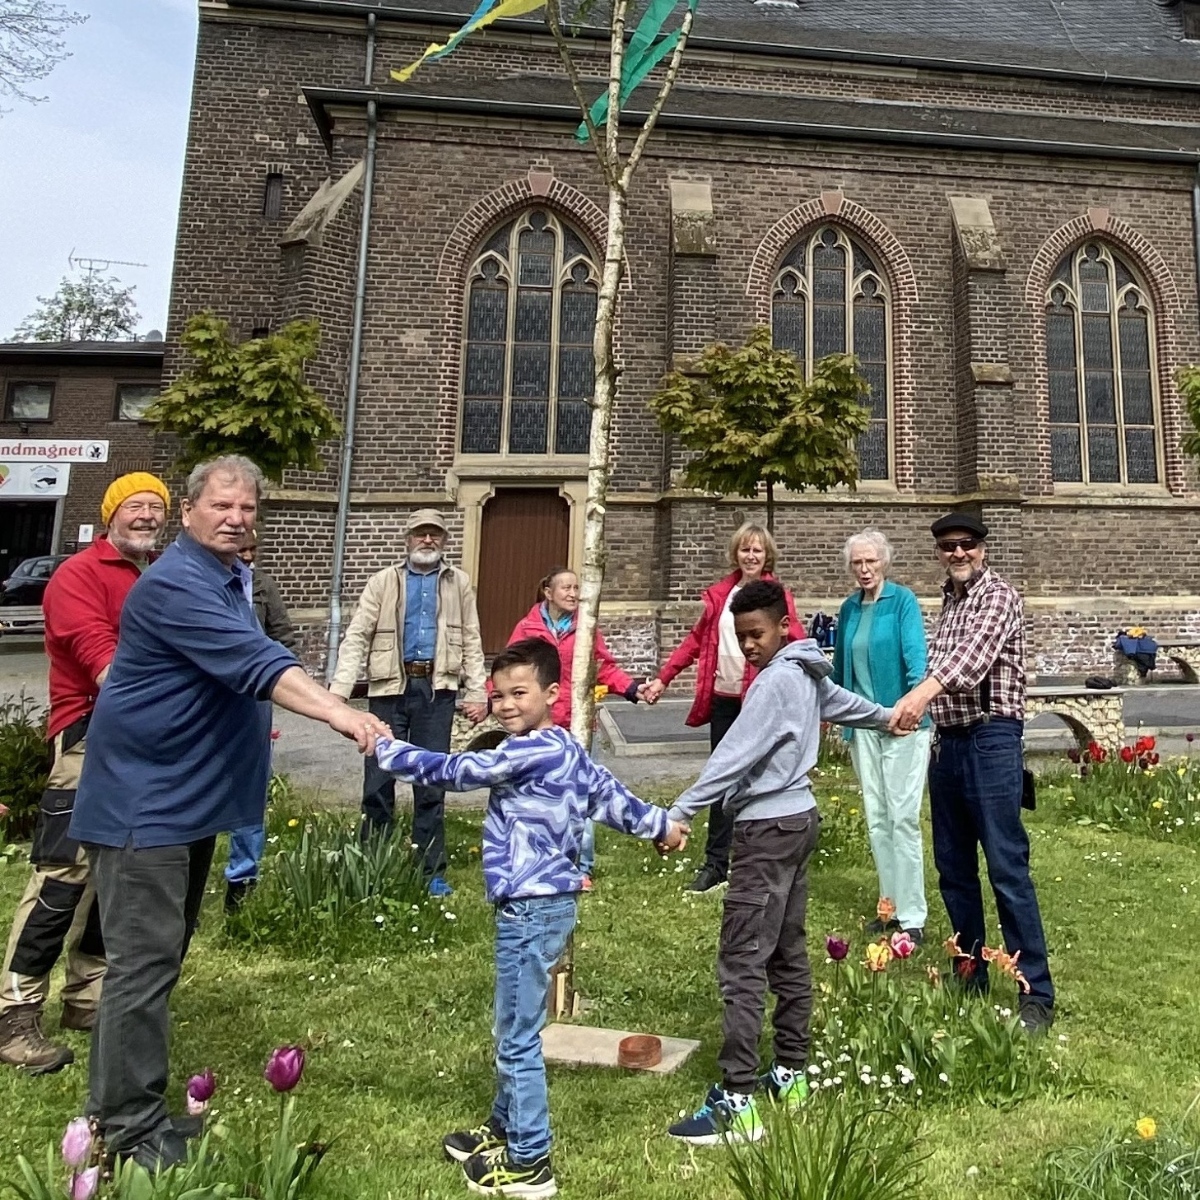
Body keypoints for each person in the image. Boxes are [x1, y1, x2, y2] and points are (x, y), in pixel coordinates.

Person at [70, 455, 393, 1171]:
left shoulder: (224, 579)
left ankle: (125, 1111)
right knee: (142, 969)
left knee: (157, 962)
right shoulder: (180, 583)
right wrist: (345, 715)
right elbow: (259, 665)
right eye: (222, 505)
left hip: (183, 807)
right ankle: (126, 1129)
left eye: (248, 508)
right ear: (188, 512)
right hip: (142, 808)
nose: (237, 518)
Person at [375, 638, 687, 1198]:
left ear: (551, 692)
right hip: (548, 906)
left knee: (516, 1035)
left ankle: (530, 1160)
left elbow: (456, 771)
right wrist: (660, 825)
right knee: (514, 1023)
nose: (506, 704)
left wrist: (385, 748)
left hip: (529, 907)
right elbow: (608, 796)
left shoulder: (527, 751)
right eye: (498, 695)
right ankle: (505, 1124)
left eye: (519, 693)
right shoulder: (566, 749)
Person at [664, 581, 895, 1145]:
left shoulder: (774, 684)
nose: (747, 646)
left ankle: (737, 1103)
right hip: (799, 822)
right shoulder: (807, 672)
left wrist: (683, 810)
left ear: (783, 626)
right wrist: (888, 717)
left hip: (766, 830)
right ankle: (791, 1071)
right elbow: (844, 704)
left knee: (742, 958)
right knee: (786, 949)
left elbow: (732, 756)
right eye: (740, 637)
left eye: (756, 634)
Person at [0, 473, 170, 1074]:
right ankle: (16, 1013)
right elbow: (100, 656)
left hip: (144, 743)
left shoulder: (151, 577)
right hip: (90, 737)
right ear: (110, 515)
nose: (147, 515)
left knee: (117, 872)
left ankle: (88, 996)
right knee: (63, 874)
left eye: (156, 507)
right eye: (135, 506)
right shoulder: (78, 575)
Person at [889, 512, 1055, 1033]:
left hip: (991, 739)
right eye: (947, 546)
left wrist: (917, 698)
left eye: (966, 545)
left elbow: (969, 663)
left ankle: (1035, 993)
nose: (957, 554)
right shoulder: (949, 600)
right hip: (951, 744)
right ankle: (969, 974)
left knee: (1006, 868)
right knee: (954, 869)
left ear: (982, 548)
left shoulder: (998, 597)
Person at [330, 508, 487, 896]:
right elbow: (358, 635)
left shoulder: (458, 583)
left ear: (445, 541)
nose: (428, 541)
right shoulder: (383, 581)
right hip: (388, 690)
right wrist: (338, 693)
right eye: (421, 534)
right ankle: (373, 864)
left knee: (432, 782)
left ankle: (430, 870)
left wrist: (477, 690)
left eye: (435, 534)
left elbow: (471, 637)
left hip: (437, 691)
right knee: (378, 781)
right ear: (408, 539)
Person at [641, 521, 805, 893]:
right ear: (736, 554)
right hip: (725, 701)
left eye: (758, 550)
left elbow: (796, 639)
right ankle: (716, 863)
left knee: (759, 781)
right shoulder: (721, 596)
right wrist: (663, 678)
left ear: (767, 556)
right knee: (720, 777)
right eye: (745, 549)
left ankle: (755, 856)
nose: (751, 556)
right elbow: (694, 642)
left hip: (759, 701)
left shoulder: (776, 596)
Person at [505, 566, 645, 887]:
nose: (572, 593)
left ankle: (581, 866)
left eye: (576, 588)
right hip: (538, 726)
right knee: (539, 794)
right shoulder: (528, 628)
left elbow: (604, 667)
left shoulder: (586, 628)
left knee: (581, 792)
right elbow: (508, 667)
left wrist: (632, 688)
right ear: (548, 592)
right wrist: (492, 698)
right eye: (565, 588)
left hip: (578, 724)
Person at [831, 529, 931, 941]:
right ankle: (888, 906)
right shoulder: (849, 609)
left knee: (903, 818)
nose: (865, 569)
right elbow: (838, 672)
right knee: (877, 818)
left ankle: (913, 917)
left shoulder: (902, 602)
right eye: (857, 563)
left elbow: (916, 661)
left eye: (871, 561)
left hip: (903, 725)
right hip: (864, 726)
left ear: (884, 562)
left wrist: (909, 711)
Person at [224, 532, 299, 912]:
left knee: (249, 793)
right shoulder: (202, 586)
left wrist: (278, 678)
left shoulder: (264, 586)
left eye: (253, 550)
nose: (248, 557)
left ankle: (241, 879)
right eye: (242, 551)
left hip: (253, 700)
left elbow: (283, 637)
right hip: (213, 699)